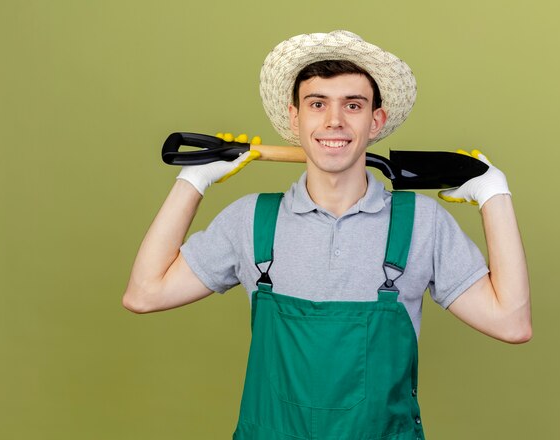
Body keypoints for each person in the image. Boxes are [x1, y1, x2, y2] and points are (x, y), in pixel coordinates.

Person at [123, 30, 531, 440]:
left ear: (376, 121)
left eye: (352, 105)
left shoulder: (422, 223)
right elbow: (145, 294)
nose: (334, 121)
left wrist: (494, 196)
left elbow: (511, 323)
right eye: (317, 104)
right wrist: (193, 182)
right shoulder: (251, 220)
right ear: (295, 117)